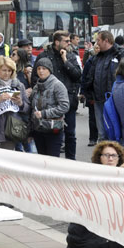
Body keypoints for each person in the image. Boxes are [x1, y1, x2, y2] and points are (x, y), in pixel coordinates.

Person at [63, 141, 124, 248]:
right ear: (99, 158)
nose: (110, 159)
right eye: (106, 155)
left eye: (114, 155)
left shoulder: (118, 179)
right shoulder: (94, 180)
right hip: (86, 243)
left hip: (82, 242)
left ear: (119, 159)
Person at [31, 30, 82, 160]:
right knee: (48, 133)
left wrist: (65, 60)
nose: (69, 43)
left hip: (68, 101)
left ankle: (71, 161)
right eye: (66, 41)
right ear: (57, 42)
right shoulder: (44, 56)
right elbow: (35, 78)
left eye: (70, 41)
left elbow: (77, 76)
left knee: (70, 133)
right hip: (47, 104)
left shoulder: (71, 56)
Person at [83, 31, 124, 142]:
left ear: (106, 40)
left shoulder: (121, 54)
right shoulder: (96, 57)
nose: (96, 43)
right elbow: (89, 76)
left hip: (115, 102)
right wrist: (89, 94)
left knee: (116, 133)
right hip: (99, 101)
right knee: (102, 135)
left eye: (98, 40)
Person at [29, 57, 69, 157]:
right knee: (42, 160)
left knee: (52, 161)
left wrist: (44, 113)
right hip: (38, 129)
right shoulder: (36, 87)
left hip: (53, 129)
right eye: (38, 68)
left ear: (50, 70)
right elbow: (31, 107)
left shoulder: (57, 85)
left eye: (44, 68)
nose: (41, 71)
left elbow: (64, 106)